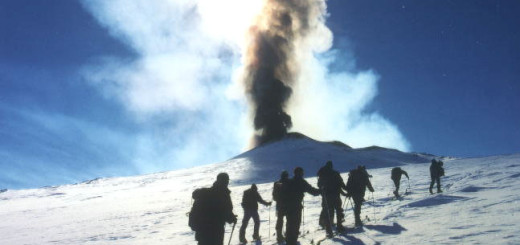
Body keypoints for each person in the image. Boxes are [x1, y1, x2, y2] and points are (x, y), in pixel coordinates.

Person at [191, 173, 237, 245]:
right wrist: (232, 218)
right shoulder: (223, 194)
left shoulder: (205, 193)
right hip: (216, 230)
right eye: (226, 180)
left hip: (203, 231)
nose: (227, 182)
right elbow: (226, 210)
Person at [284, 167, 320, 245]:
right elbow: (312, 191)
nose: (303, 174)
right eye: (302, 173)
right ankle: (292, 241)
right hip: (296, 207)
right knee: (296, 224)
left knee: (289, 223)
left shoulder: (290, 181)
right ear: (300, 173)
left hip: (287, 207)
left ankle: (289, 241)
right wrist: (320, 191)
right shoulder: (301, 182)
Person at [317, 161, 348, 237]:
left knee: (328, 212)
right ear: (331, 166)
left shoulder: (322, 173)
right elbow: (341, 183)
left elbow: (319, 185)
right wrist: (347, 190)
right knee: (338, 210)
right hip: (335, 195)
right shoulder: (335, 173)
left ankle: (328, 230)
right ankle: (339, 226)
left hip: (326, 196)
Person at [272, 170, 289, 243]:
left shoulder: (276, 183)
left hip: (279, 205)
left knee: (280, 220)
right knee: (289, 219)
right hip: (287, 205)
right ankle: (288, 234)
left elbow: (274, 196)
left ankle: (279, 236)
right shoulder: (288, 183)